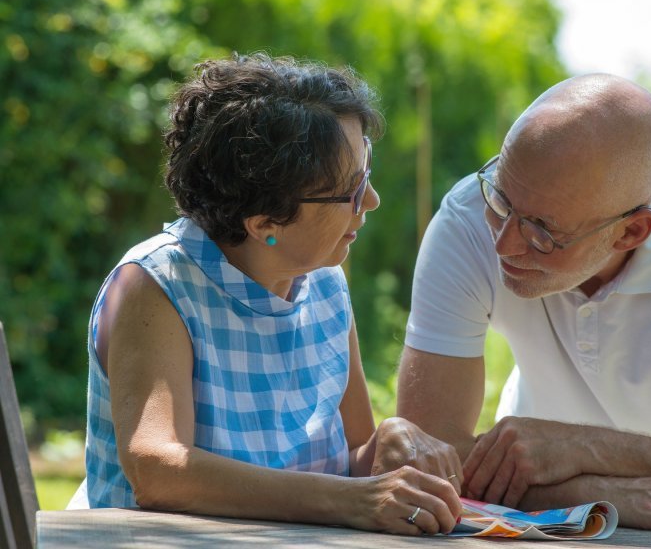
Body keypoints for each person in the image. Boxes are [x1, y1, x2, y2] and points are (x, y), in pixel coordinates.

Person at [75, 53, 462, 535]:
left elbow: (356, 457)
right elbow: (157, 469)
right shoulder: (156, 285)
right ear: (265, 223)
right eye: (351, 189)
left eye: (367, 170)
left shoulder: (324, 281)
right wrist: (346, 501)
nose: (372, 201)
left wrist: (389, 441)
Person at [397, 73, 651, 536]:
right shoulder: (469, 219)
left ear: (631, 232)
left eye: (542, 232)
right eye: (502, 200)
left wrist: (584, 447)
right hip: (543, 526)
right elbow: (424, 458)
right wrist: (616, 496)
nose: (504, 244)